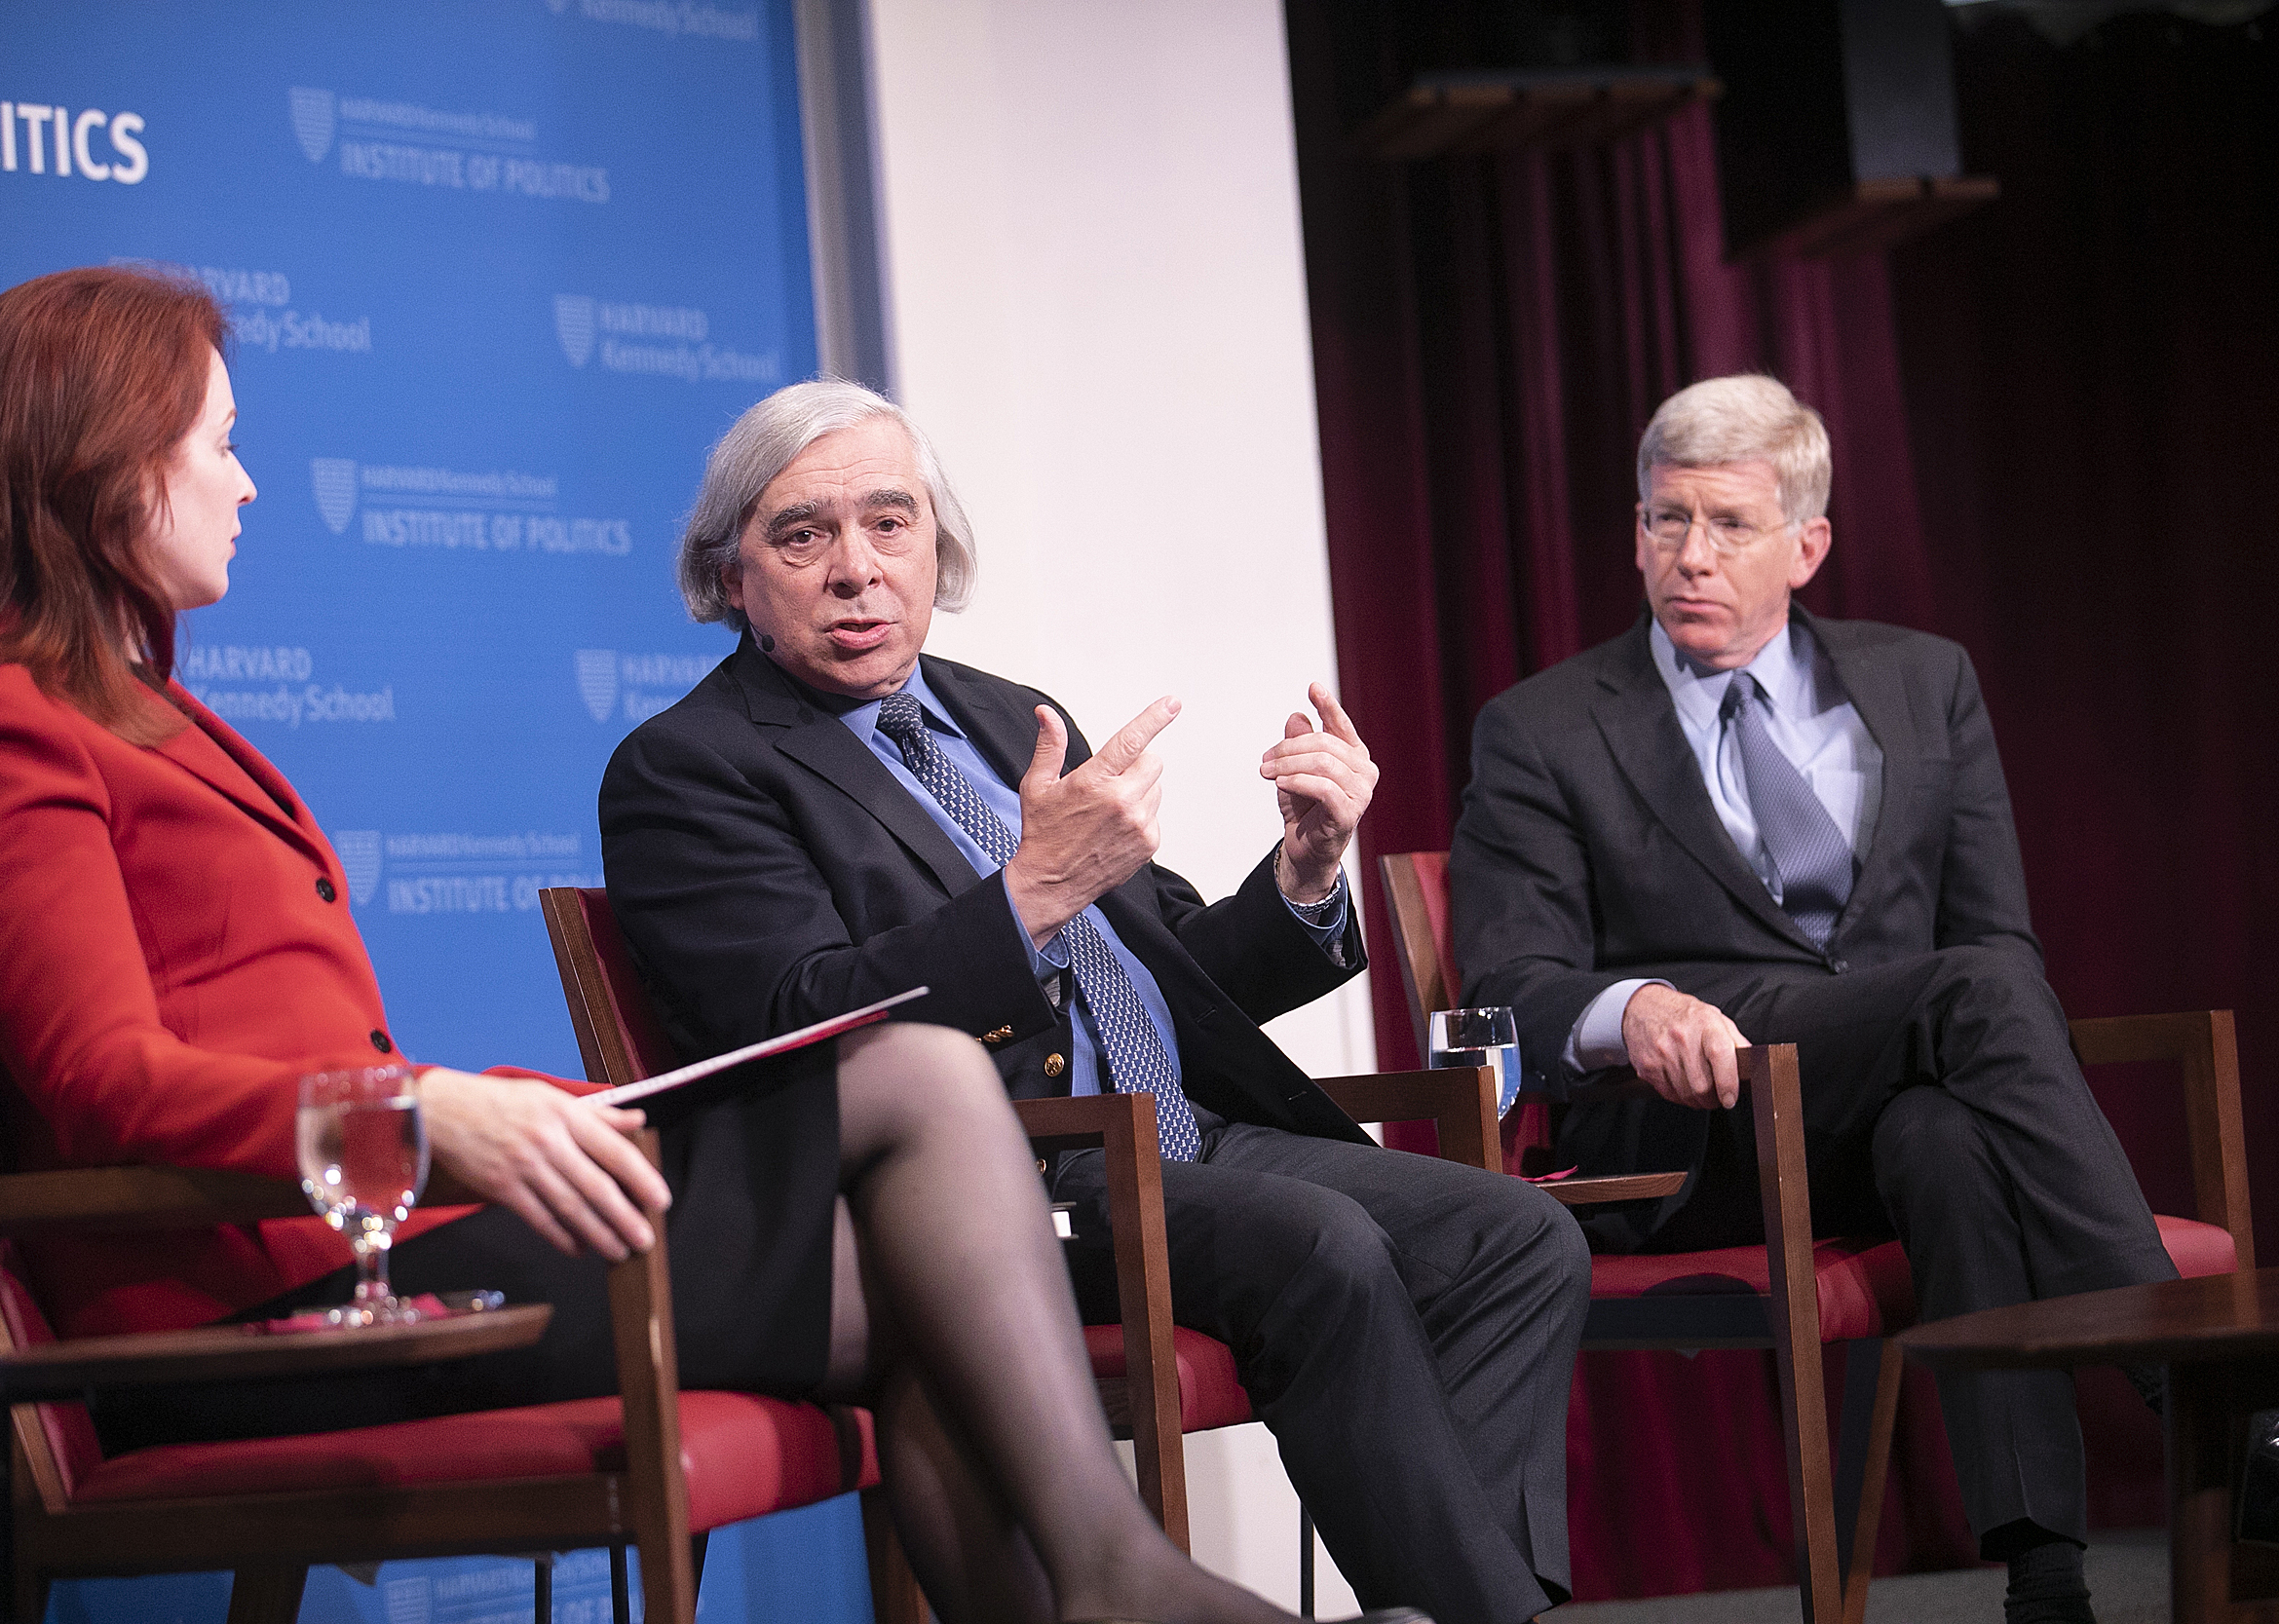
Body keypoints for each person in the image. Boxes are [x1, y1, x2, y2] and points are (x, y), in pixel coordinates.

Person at [0, 267, 1417, 1624]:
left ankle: (1111, 1589)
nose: (249, 482)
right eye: (218, 442)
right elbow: (100, 1082)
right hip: (254, 1306)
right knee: (936, 1143)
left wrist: (460, 1101)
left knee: (937, 1173)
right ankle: (1123, 1585)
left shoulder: (114, 710)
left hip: (359, 1242)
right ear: (102, 463)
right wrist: (428, 1113)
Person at [599, 377, 1589, 1624]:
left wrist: (1305, 871)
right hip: (993, 1197)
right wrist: (1023, 898)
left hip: (1191, 1138)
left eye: (890, 523)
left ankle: (1467, 1605)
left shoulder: (1005, 715)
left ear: (936, 548)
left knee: (1516, 1239)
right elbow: (794, 1026)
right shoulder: (691, 768)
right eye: (803, 534)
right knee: (1321, 1245)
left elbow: (1176, 969)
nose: (856, 568)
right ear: (729, 572)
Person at [1450, 373, 2174, 1624]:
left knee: (1945, 1133)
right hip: (1704, 1124)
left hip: (1886, 1107)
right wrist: (1633, 1007)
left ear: (1807, 543)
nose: (1688, 556)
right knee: (1982, 995)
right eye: (1663, 520)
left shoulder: (1922, 682)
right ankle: (2190, 1376)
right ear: (1633, 530)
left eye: (1728, 524)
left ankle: (2045, 1576)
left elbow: (1995, 929)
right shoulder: (1544, 727)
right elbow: (1511, 982)